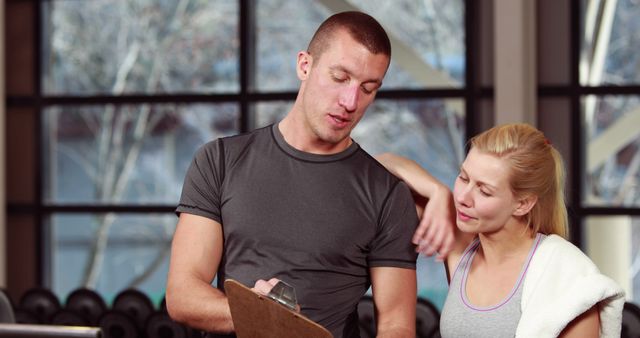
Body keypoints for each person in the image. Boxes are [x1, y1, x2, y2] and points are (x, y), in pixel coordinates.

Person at [165, 11, 454, 338]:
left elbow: (397, 326)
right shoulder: (219, 161)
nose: (350, 101)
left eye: (368, 88)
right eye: (340, 77)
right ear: (305, 65)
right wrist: (263, 315)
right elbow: (183, 295)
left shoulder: (386, 194)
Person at [377, 123, 625, 338]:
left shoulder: (566, 277)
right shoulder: (461, 247)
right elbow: (382, 163)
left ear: (523, 204)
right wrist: (437, 191)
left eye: (484, 191)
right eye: (463, 177)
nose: (463, 197)